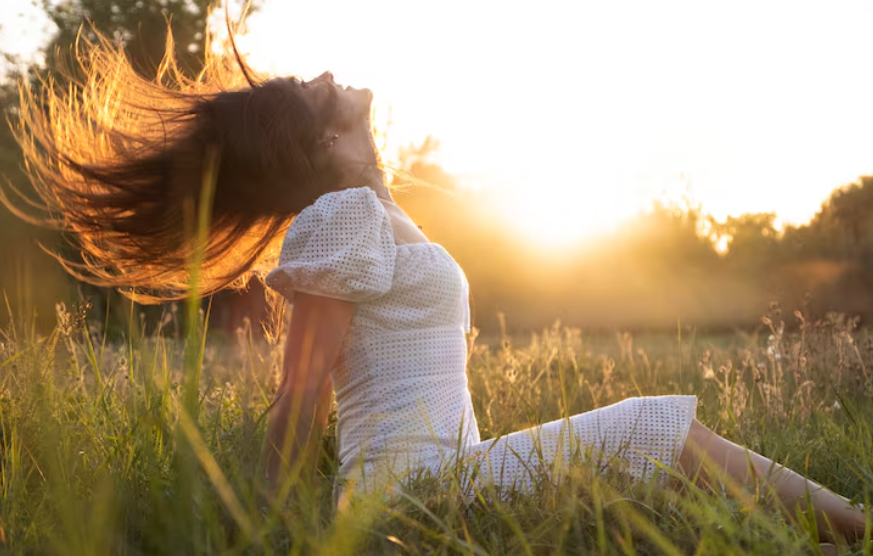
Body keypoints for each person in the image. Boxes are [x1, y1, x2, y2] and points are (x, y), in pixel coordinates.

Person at [4, 33, 865, 547]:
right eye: (317, 91)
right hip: (413, 492)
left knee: (671, 492)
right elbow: (300, 393)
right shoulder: (342, 214)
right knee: (653, 424)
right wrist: (269, 530)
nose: (331, 75)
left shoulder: (372, 209)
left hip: (447, 477)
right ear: (318, 141)